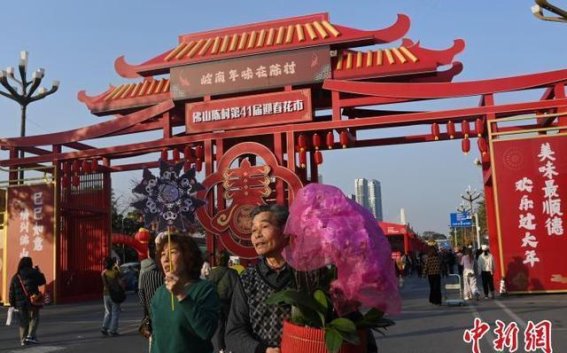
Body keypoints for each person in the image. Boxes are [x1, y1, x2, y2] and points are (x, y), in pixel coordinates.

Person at [226, 204, 378, 353]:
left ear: (285, 231)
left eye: (264, 227)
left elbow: (351, 319)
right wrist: (261, 350)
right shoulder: (247, 279)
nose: (257, 234)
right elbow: (234, 332)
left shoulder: (312, 272)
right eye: (253, 230)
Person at [150, 233, 219, 353]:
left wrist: (181, 295)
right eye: (162, 254)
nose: (166, 259)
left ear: (188, 256)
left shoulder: (205, 289)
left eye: (172, 252)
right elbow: (156, 338)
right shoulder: (159, 293)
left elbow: (206, 331)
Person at [8, 256, 47, 346]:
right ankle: (30, 336)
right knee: (34, 317)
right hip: (32, 300)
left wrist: (12, 304)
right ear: (30, 263)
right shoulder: (33, 272)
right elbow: (42, 281)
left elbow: (11, 291)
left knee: (23, 321)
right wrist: (39, 271)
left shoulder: (16, 276)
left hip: (20, 303)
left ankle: (23, 340)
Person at [209, 251, 240, 352]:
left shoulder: (213, 272)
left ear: (218, 260)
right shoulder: (233, 273)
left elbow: (209, 287)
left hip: (217, 303)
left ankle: (221, 348)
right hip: (229, 302)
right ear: (228, 260)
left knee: (220, 326)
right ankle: (231, 347)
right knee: (232, 325)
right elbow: (237, 288)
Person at [138, 236, 165, 346]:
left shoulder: (143, 273)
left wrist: (144, 307)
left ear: (148, 253)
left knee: (152, 339)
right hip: (163, 309)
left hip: (149, 310)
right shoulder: (162, 273)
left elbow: (141, 292)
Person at [101, 256, 123, 336]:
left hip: (105, 294)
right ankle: (112, 330)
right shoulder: (115, 272)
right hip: (114, 293)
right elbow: (120, 278)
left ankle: (104, 327)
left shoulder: (103, 273)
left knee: (107, 312)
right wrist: (117, 266)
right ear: (112, 264)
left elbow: (105, 284)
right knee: (115, 313)